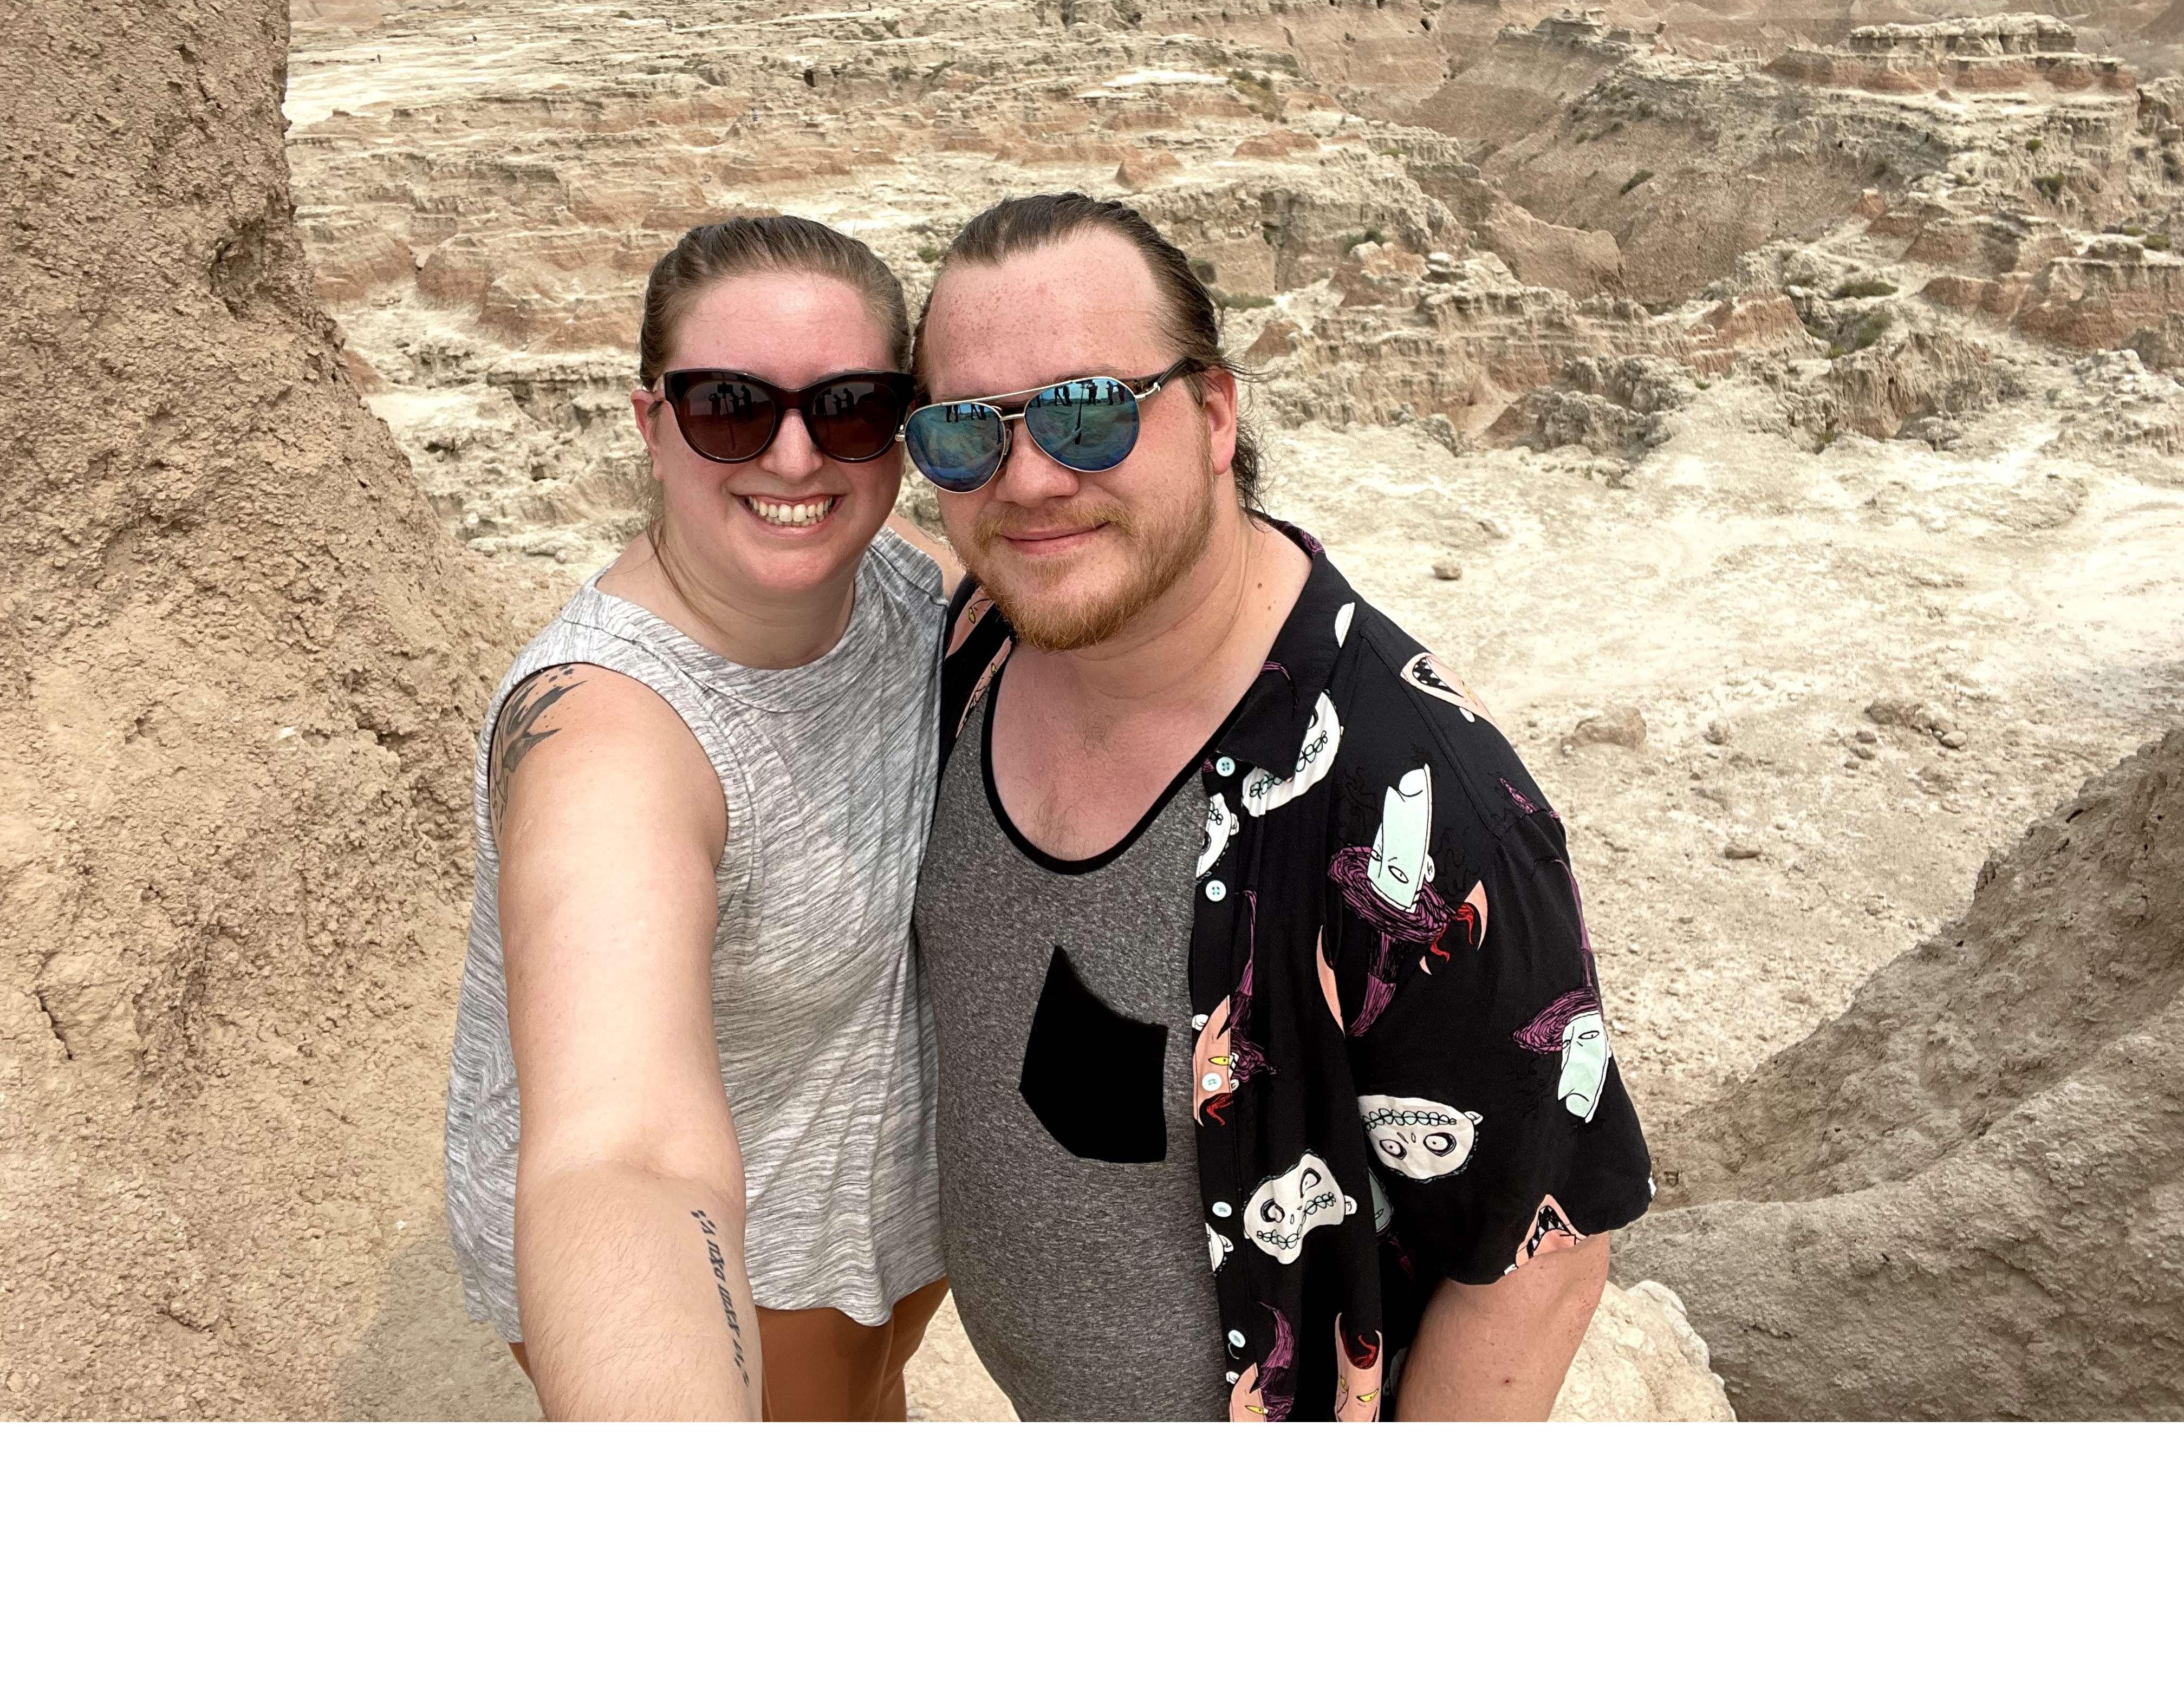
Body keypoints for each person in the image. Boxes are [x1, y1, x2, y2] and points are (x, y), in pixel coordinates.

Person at [905, 194, 1654, 1421]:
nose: (1027, 478)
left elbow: (1543, 1255)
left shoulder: (1412, 803)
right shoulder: (982, 644)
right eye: (961, 434)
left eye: (1088, 414)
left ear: (1211, 415)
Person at [445, 216, 955, 1420]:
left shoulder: (899, 580)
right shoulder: (606, 733)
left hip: (875, 1201)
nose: (794, 459)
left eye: (850, 408)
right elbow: (626, 1156)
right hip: (759, 1254)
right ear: (648, 422)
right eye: (731, 405)